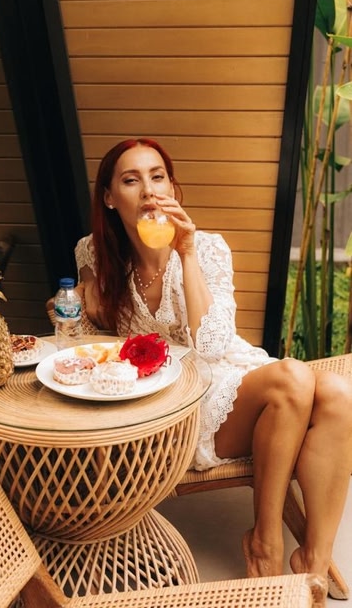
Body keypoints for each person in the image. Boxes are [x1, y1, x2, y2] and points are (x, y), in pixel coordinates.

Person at [75, 137, 352, 588]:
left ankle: (314, 562)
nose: (148, 190)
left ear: (172, 187)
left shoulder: (208, 248)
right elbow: (90, 339)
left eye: (157, 177)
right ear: (109, 198)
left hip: (222, 372)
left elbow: (214, 344)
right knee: (293, 379)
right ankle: (265, 542)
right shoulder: (93, 253)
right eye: (131, 180)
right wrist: (79, 306)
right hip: (168, 400)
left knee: (337, 393)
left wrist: (186, 253)